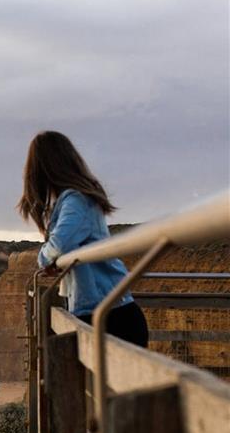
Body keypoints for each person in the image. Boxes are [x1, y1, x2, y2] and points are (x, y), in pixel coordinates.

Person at [16, 130, 149, 347]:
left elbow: (60, 244)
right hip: (106, 312)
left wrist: (45, 258)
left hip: (110, 316)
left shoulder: (75, 200)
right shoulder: (75, 199)